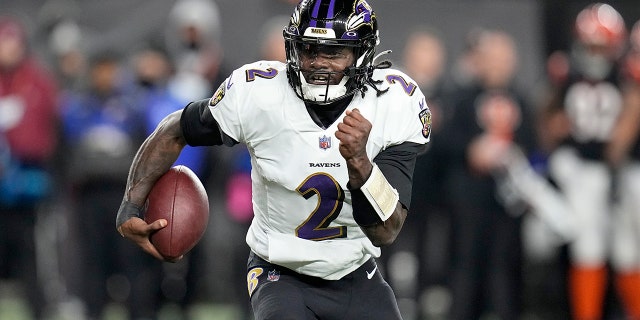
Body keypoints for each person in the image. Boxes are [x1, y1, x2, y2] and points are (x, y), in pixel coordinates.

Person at [116, 0, 432, 319]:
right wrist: (130, 205)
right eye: (309, 49)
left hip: (354, 272)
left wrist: (360, 164)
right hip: (280, 272)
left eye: (333, 52)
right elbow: (175, 130)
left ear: (361, 55)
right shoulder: (259, 94)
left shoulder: (393, 101)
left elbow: (386, 230)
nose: (318, 63)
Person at [445, 28, 537, 320]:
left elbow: (533, 144)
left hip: (509, 201)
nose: (497, 65)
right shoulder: (461, 100)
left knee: (506, 267)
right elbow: (445, 142)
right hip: (470, 198)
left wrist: (516, 155)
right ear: (480, 61)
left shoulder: (522, 100)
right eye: (491, 58)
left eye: (503, 58)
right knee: (466, 265)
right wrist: (471, 151)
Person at [0, 15, 59, 319]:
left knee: (32, 257)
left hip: (27, 185)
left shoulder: (37, 82)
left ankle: (40, 309)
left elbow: (48, 135)